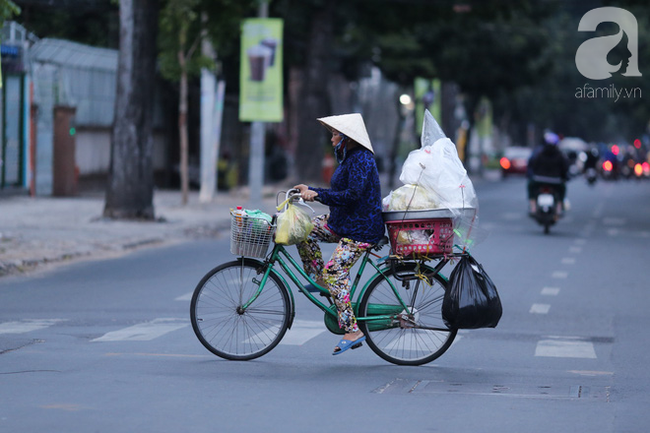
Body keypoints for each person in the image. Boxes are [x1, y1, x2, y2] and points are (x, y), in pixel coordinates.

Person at [293, 113, 385, 355]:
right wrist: (309, 190)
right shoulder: (349, 158)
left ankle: (352, 330)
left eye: (335, 135)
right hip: (343, 224)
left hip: (361, 230)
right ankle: (319, 279)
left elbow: (351, 195)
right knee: (304, 229)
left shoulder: (362, 159)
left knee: (336, 271)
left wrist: (318, 195)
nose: (332, 140)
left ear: (348, 139)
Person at [527, 131, 570, 215]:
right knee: (563, 188)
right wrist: (565, 177)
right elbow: (565, 168)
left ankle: (533, 206)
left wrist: (533, 175)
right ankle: (559, 207)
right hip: (556, 181)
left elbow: (533, 165)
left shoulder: (539, 153)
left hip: (539, 179)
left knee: (530, 185)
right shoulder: (560, 155)